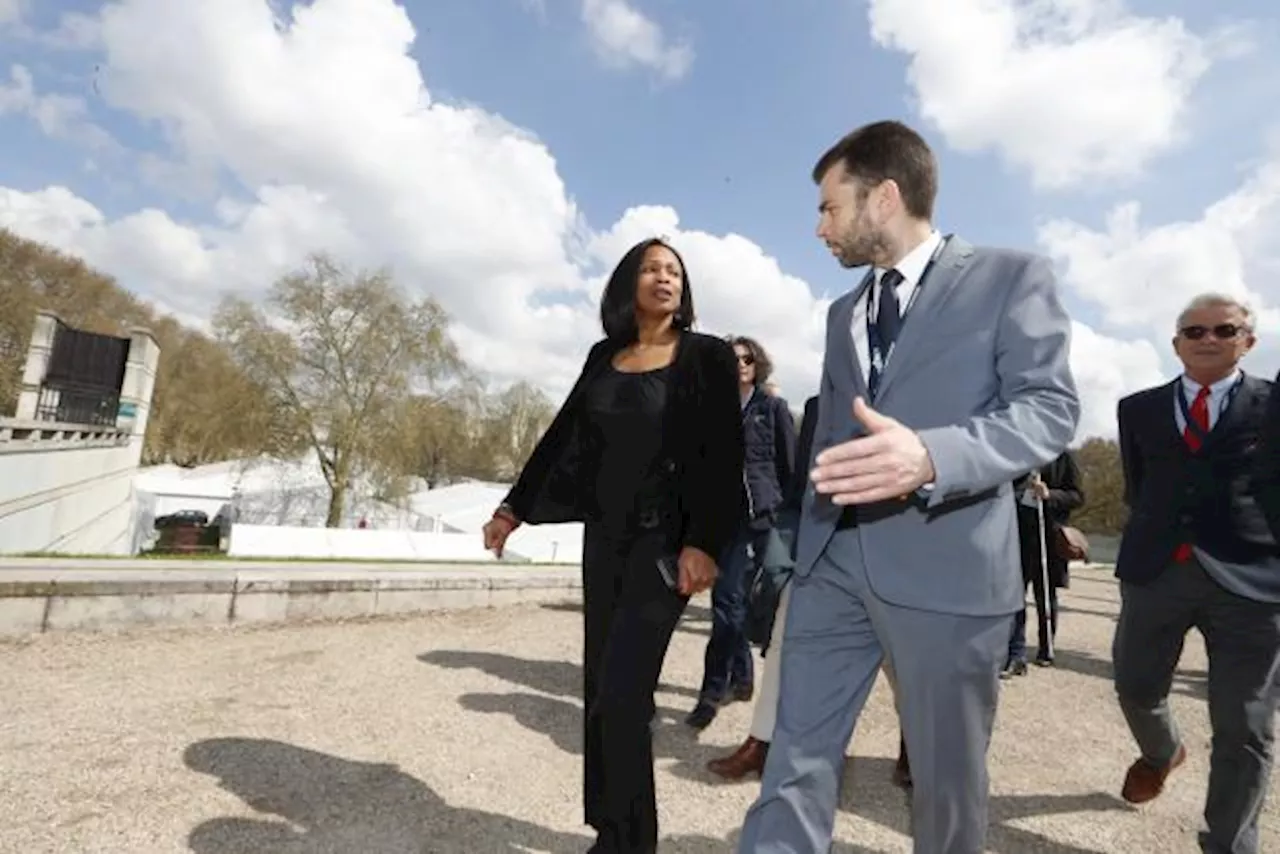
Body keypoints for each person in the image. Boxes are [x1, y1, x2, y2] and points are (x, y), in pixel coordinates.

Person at [737, 120, 1079, 854]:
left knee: (945, 786)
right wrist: (804, 541)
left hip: (949, 573)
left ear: (884, 197)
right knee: (794, 758)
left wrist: (930, 456)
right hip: (833, 566)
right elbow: (833, 434)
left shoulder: (1013, 277)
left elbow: (1049, 410)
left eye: (830, 206)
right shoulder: (841, 315)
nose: (819, 226)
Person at [481, 237, 745, 854]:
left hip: (665, 546)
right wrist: (512, 507)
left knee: (625, 696)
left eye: (674, 271)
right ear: (629, 283)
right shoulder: (604, 356)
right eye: (652, 268)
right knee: (601, 692)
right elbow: (561, 436)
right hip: (605, 542)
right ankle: (610, 830)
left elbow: (721, 454)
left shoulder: (706, 356)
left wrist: (704, 542)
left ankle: (634, 844)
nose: (665, 277)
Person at [1112, 293, 1278, 854]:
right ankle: (1163, 753)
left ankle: (1229, 845)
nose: (1208, 338)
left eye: (1224, 330)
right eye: (1195, 330)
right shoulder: (1137, 408)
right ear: (1177, 341)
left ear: (1247, 341)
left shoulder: (1274, 404)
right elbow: (1140, 486)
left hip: (1251, 582)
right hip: (1156, 572)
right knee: (1135, 686)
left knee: (1245, 728)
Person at [706, 394, 913, 788]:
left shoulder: (913, 391)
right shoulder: (819, 405)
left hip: (893, 556)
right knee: (785, 641)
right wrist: (784, 547)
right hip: (822, 551)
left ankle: (916, 746)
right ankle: (761, 742)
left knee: (901, 661)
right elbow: (801, 486)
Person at [686, 336, 796, 729]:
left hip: (764, 518)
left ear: (757, 364)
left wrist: (784, 515)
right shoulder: (711, 410)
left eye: (748, 359)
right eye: (733, 360)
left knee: (749, 603)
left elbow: (789, 467)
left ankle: (743, 678)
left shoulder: (773, 408)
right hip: (726, 521)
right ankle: (713, 691)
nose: (741, 365)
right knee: (726, 604)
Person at [1001, 451, 1084, 677]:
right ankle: (1015, 653)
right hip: (1019, 535)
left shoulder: (1063, 457)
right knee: (1015, 596)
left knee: (1045, 595)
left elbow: (1077, 496)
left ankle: (1046, 646)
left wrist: (1051, 495)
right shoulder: (1018, 455)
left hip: (1049, 536)